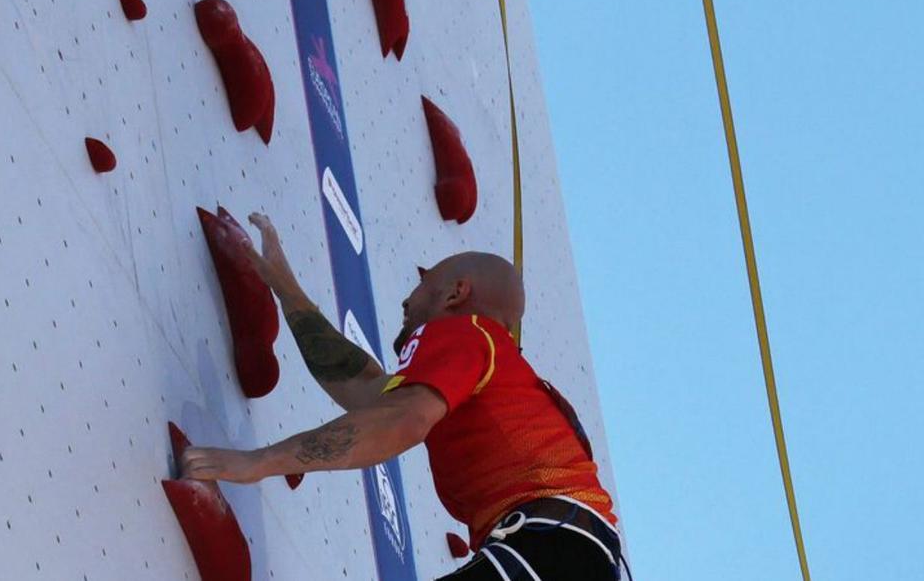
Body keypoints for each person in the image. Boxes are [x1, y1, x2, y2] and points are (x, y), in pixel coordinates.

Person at [181, 213, 627, 580]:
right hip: (569, 554)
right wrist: (286, 289)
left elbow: (402, 421)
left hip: (551, 548)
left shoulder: (469, 334)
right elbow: (367, 393)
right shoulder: (492, 374)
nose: (407, 301)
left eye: (423, 283)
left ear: (456, 292)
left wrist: (259, 462)